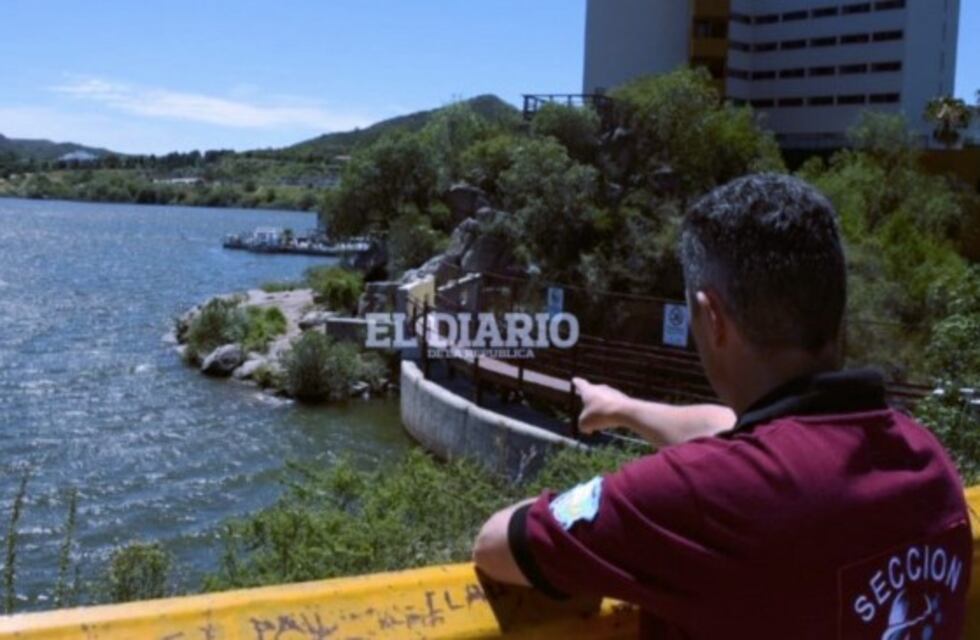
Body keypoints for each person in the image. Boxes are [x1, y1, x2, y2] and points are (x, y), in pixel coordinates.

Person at [471, 174, 971, 639]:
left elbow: (497, 545)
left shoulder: (699, 498)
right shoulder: (926, 462)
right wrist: (624, 408)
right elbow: (738, 433)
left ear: (712, 319)